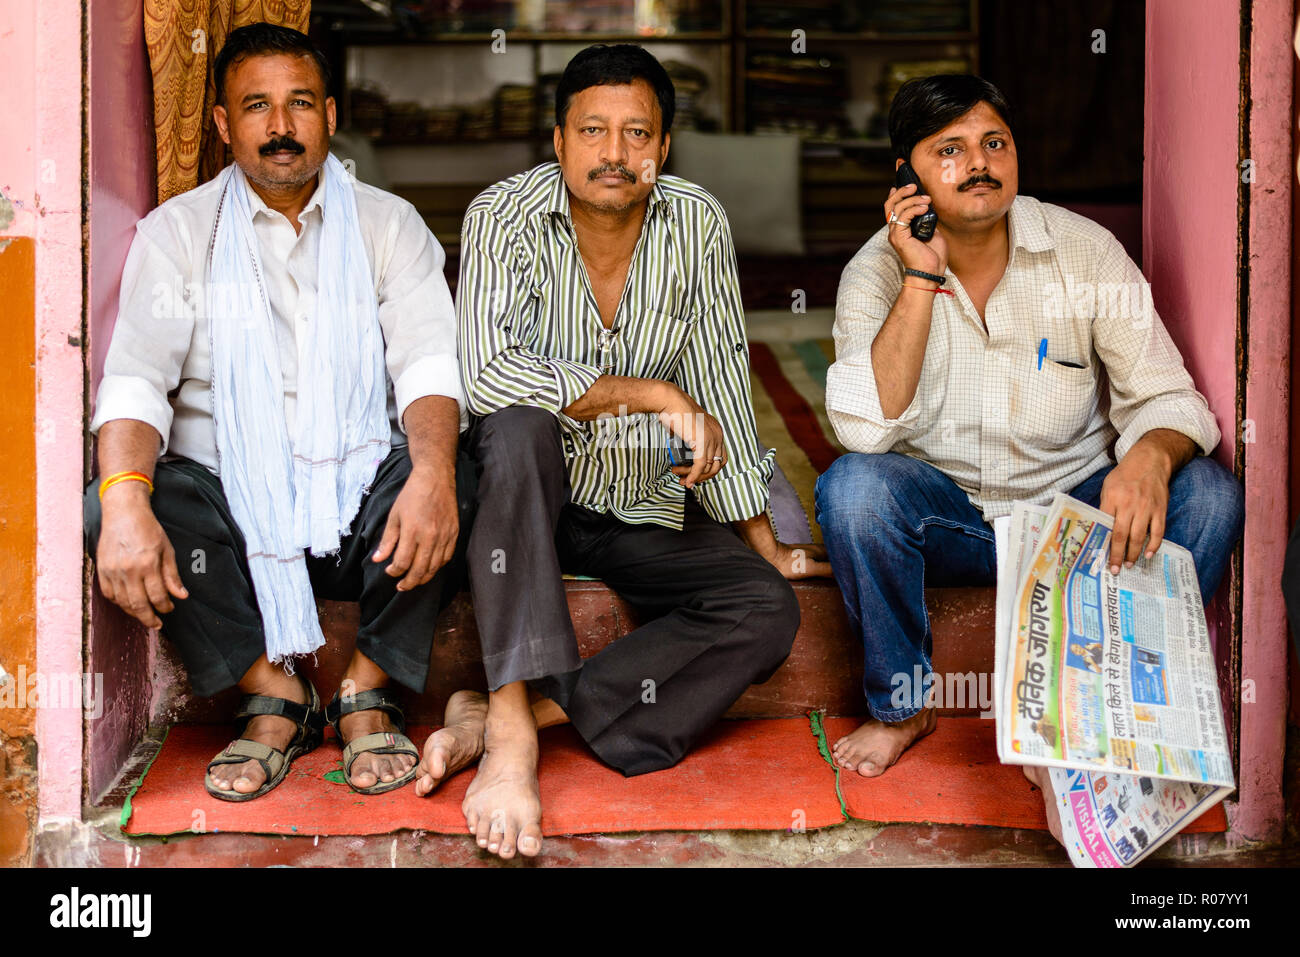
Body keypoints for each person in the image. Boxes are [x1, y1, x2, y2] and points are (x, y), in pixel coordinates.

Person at [425, 43, 830, 861]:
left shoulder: (697, 222)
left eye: (636, 133)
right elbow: (487, 371)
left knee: (765, 608)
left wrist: (765, 542)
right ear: (559, 140)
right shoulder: (500, 215)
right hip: (524, 500)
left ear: (665, 148)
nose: (615, 154)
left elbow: (719, 380)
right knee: (515, 423)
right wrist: (647, 393)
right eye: (594, 131)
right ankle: (511, 724)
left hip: (640, 496)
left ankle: (530, 713)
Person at [814, 74, 1244, 815]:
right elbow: (862, 430)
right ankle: (904, 704)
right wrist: (921, 279)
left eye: (994, 143)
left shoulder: (1084, 252)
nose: (979, 162)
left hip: (1071, 517)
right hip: (949, 520)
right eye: (948, 150)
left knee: (1208, 493)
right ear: (904, 177)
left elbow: (1170, 396)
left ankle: (1093, 720)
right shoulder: (874, 275)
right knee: (853, 489)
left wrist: (1149, 454)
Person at [84, 23, 473, 801]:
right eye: (256, 107)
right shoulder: (180, 234)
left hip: (365, 513)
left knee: (468, 460)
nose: (281, 127)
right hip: (234, 520)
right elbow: (134, 382)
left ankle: (366, 684)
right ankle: (276, 693)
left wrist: (433, 468)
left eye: (299, 104)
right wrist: (122, 497)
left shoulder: (387, 224)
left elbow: (430, 364)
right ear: (225, 125)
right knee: (118, 499)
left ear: (330, 113)